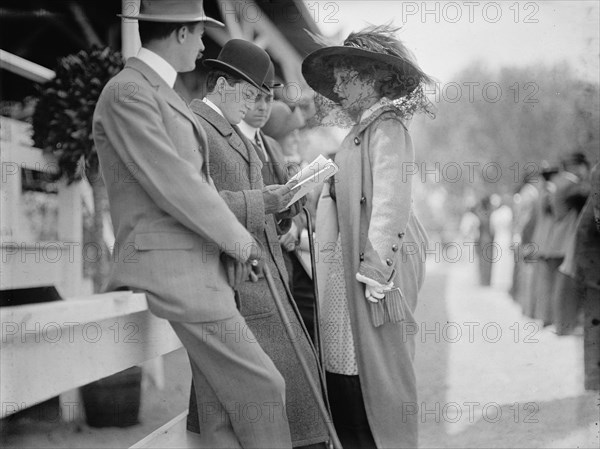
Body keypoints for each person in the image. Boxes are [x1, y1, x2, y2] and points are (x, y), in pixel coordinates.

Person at [92, 2, 292, 447]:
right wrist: (241, 243)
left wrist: (226, 248)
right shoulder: (129, 92)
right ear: (181, 33)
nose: (203, 46)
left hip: (197, 264)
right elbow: (176, 183)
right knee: (265, 389)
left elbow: (189, 182)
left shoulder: (159, 92)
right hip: (171, 267)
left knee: (219, 414)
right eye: (201, 34)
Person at [188, 39, 330, 448]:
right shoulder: (197, 127)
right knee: (265, 400)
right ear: (220, 84)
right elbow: (197, 204)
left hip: (265, 279)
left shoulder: (234, 133)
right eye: (249, 94)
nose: (255, 104)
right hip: (240, 284)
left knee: (288, 397)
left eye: (260, 95)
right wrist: (265, 200)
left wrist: (283, 205)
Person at [302, 24, 432, 448]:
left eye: (347, 75)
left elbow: (392, 199)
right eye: (336, 74)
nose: (338, 83)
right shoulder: (358, 132)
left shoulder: (387, 128)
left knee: (377, 365)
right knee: (346, 362)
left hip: (374, 267)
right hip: (351, 262)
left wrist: (376, 269)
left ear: (373, 80)